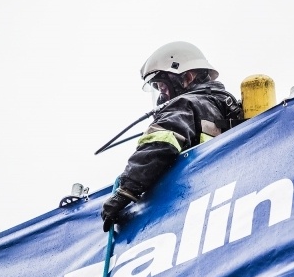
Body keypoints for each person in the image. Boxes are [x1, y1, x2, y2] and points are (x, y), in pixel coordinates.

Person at [101, 41, 243, 232]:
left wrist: (125, 190)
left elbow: (160, 142)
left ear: (187, 77)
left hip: (192, 201)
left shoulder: (185, 103)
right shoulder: (222, 106)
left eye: (162, 85)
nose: (162, 94)